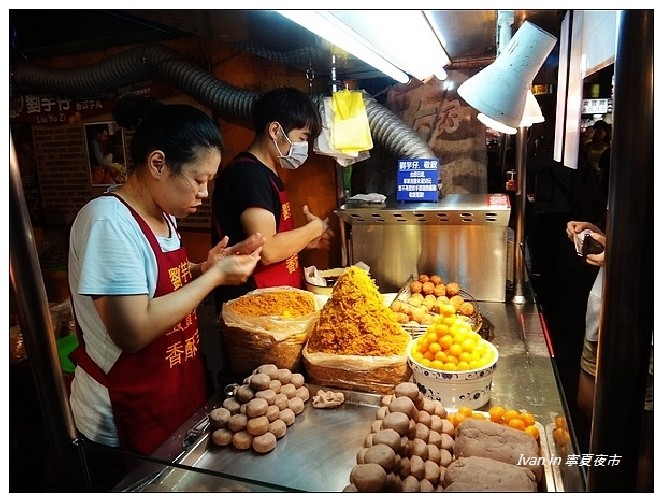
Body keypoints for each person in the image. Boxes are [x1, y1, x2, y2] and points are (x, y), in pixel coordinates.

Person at [67, 94, 265, 469]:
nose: (204, 193)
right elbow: (133, 329)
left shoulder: (163, 214)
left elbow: (156, 283)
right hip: (124, 415)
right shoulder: (110, 222)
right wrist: (216, 279)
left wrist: (203, 269)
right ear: (158, 163)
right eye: (198, 179)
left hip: (173, 393)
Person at [210, 87, 333, 311]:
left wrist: (304, 243)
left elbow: (273, 241)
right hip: (254, 307)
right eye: (302, 138)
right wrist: (314, 228)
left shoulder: (267, 172)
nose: (303, 146)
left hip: (275, 302)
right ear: (275, 130)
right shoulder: (248, 175)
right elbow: (269, 250)